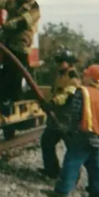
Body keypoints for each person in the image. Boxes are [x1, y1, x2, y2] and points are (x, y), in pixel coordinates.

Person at [45, 64, 99, 197]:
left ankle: (62, 191)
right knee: (97, 167)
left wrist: (71, 130)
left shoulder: (83, 92)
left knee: (72, 161)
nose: (83, 77)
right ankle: (97, 196)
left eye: (86, 75)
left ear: (90, 78)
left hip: (83, 134)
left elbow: (76, 113)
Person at [0, 0, 41, 100]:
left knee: (18, 74)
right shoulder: (15, 3)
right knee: (7, 73)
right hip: (9, 44)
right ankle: (6, 99)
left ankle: (16, 98)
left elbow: (22, 22)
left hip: (21, 46)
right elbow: (3, 3)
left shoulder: (34, 9)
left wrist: (7, 25)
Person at [39, 48, 80, 179]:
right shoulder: (60, 76)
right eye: (57, 61)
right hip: (57, 118)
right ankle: (52, 171)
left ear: (68, 63)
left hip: (67, 120)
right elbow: (56, 92)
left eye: (61, 61)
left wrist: (53, 102)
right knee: (46, 141)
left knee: (72, 148)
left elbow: (67, 95)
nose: (58, 64)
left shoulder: (73, 78)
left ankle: (73, 176)